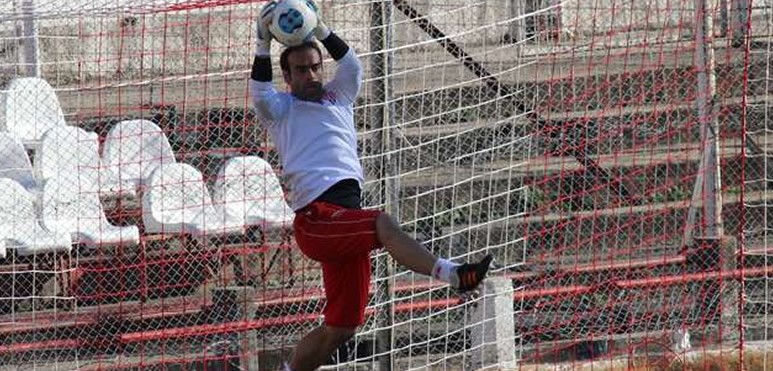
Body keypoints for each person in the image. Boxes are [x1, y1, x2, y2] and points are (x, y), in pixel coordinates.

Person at [249, 2, 493, 370]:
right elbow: (259, 89)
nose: (311, 75)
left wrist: (320, 29)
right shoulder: (281, 109)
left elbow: (351, 65)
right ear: (288, 76)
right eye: (301, 70)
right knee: (382, 223)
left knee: (342, 327)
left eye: (316, 67)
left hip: (344, 219)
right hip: (317, 220)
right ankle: (453, 275)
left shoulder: (339, 97)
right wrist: (261, 43)